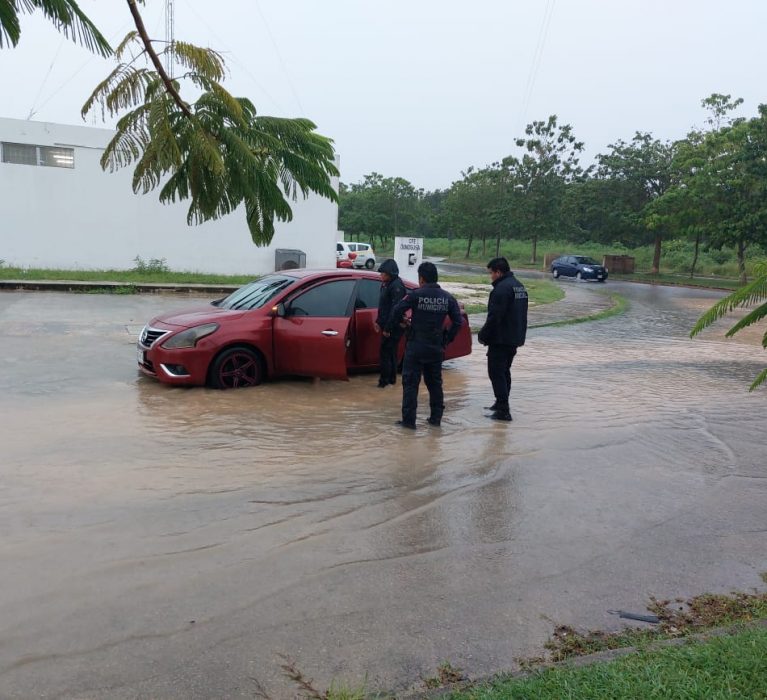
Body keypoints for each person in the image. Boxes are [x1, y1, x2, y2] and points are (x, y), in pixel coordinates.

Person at [385, 261, 463, 429]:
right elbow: (458, 321)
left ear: (421, 279)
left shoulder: (415, 295)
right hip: (435, 347)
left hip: (416, 346)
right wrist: (446, 339)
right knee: (435, 384)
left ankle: (409, 422)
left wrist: (401, 323)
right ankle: (435, 420)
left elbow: (396, 310)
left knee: (410, 384)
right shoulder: (447, 297)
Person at [477, 257, 528, 422]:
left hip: (501, 339)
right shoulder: (519, 286)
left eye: (491, 273)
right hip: (514, 338)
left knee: (496, 373)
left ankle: (504, 411)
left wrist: (483, 335)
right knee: (504, 372)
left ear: (498, 272)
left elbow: (494, 317)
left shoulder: (501, 289)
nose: (490, 276)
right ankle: (500, 404)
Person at [374, 259, 407, 387]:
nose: (380, 275)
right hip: (387, 323)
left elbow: (396, 310)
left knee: (386, 354)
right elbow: (383, 306)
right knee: (390, 352)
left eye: (383, 273)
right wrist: (378, 321)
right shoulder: (386, 284)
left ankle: (384, 382)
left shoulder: (397, 286)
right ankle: (391, 380)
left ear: (390, 273)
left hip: (394, 326)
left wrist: (387, 328)